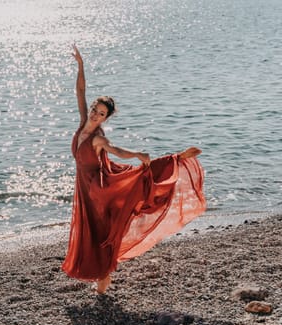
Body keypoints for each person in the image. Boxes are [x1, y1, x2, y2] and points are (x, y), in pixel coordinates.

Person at [62, 44, 206, 294]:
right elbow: (80, 90)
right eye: (96, 110)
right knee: (97, 233)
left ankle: (176, 159)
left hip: (97, 190)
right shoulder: (83, 122)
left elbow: (117, 151)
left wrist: (138, 154)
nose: (96, 115)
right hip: (85, 188)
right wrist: (81, 65)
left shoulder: (98, 138)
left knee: (102, 231)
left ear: (106, 119)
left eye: (102, 114)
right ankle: (102, 285)